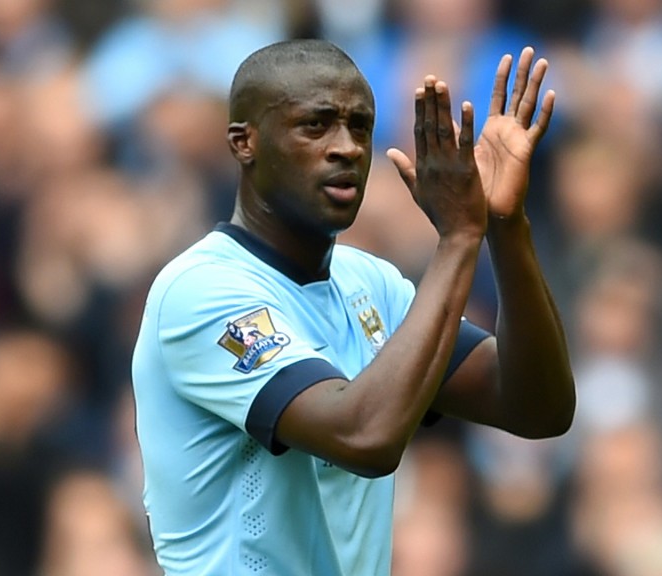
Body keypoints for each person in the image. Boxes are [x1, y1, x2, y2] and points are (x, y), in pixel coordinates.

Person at [130, 38, 575, 575]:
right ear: (244, 143)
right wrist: (459, 239)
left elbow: (537, 407)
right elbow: (364, 437)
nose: (347, 147)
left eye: (359, 126)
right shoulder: (202, 291)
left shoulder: (372, 283)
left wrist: (505, 227)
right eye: (315, 126)